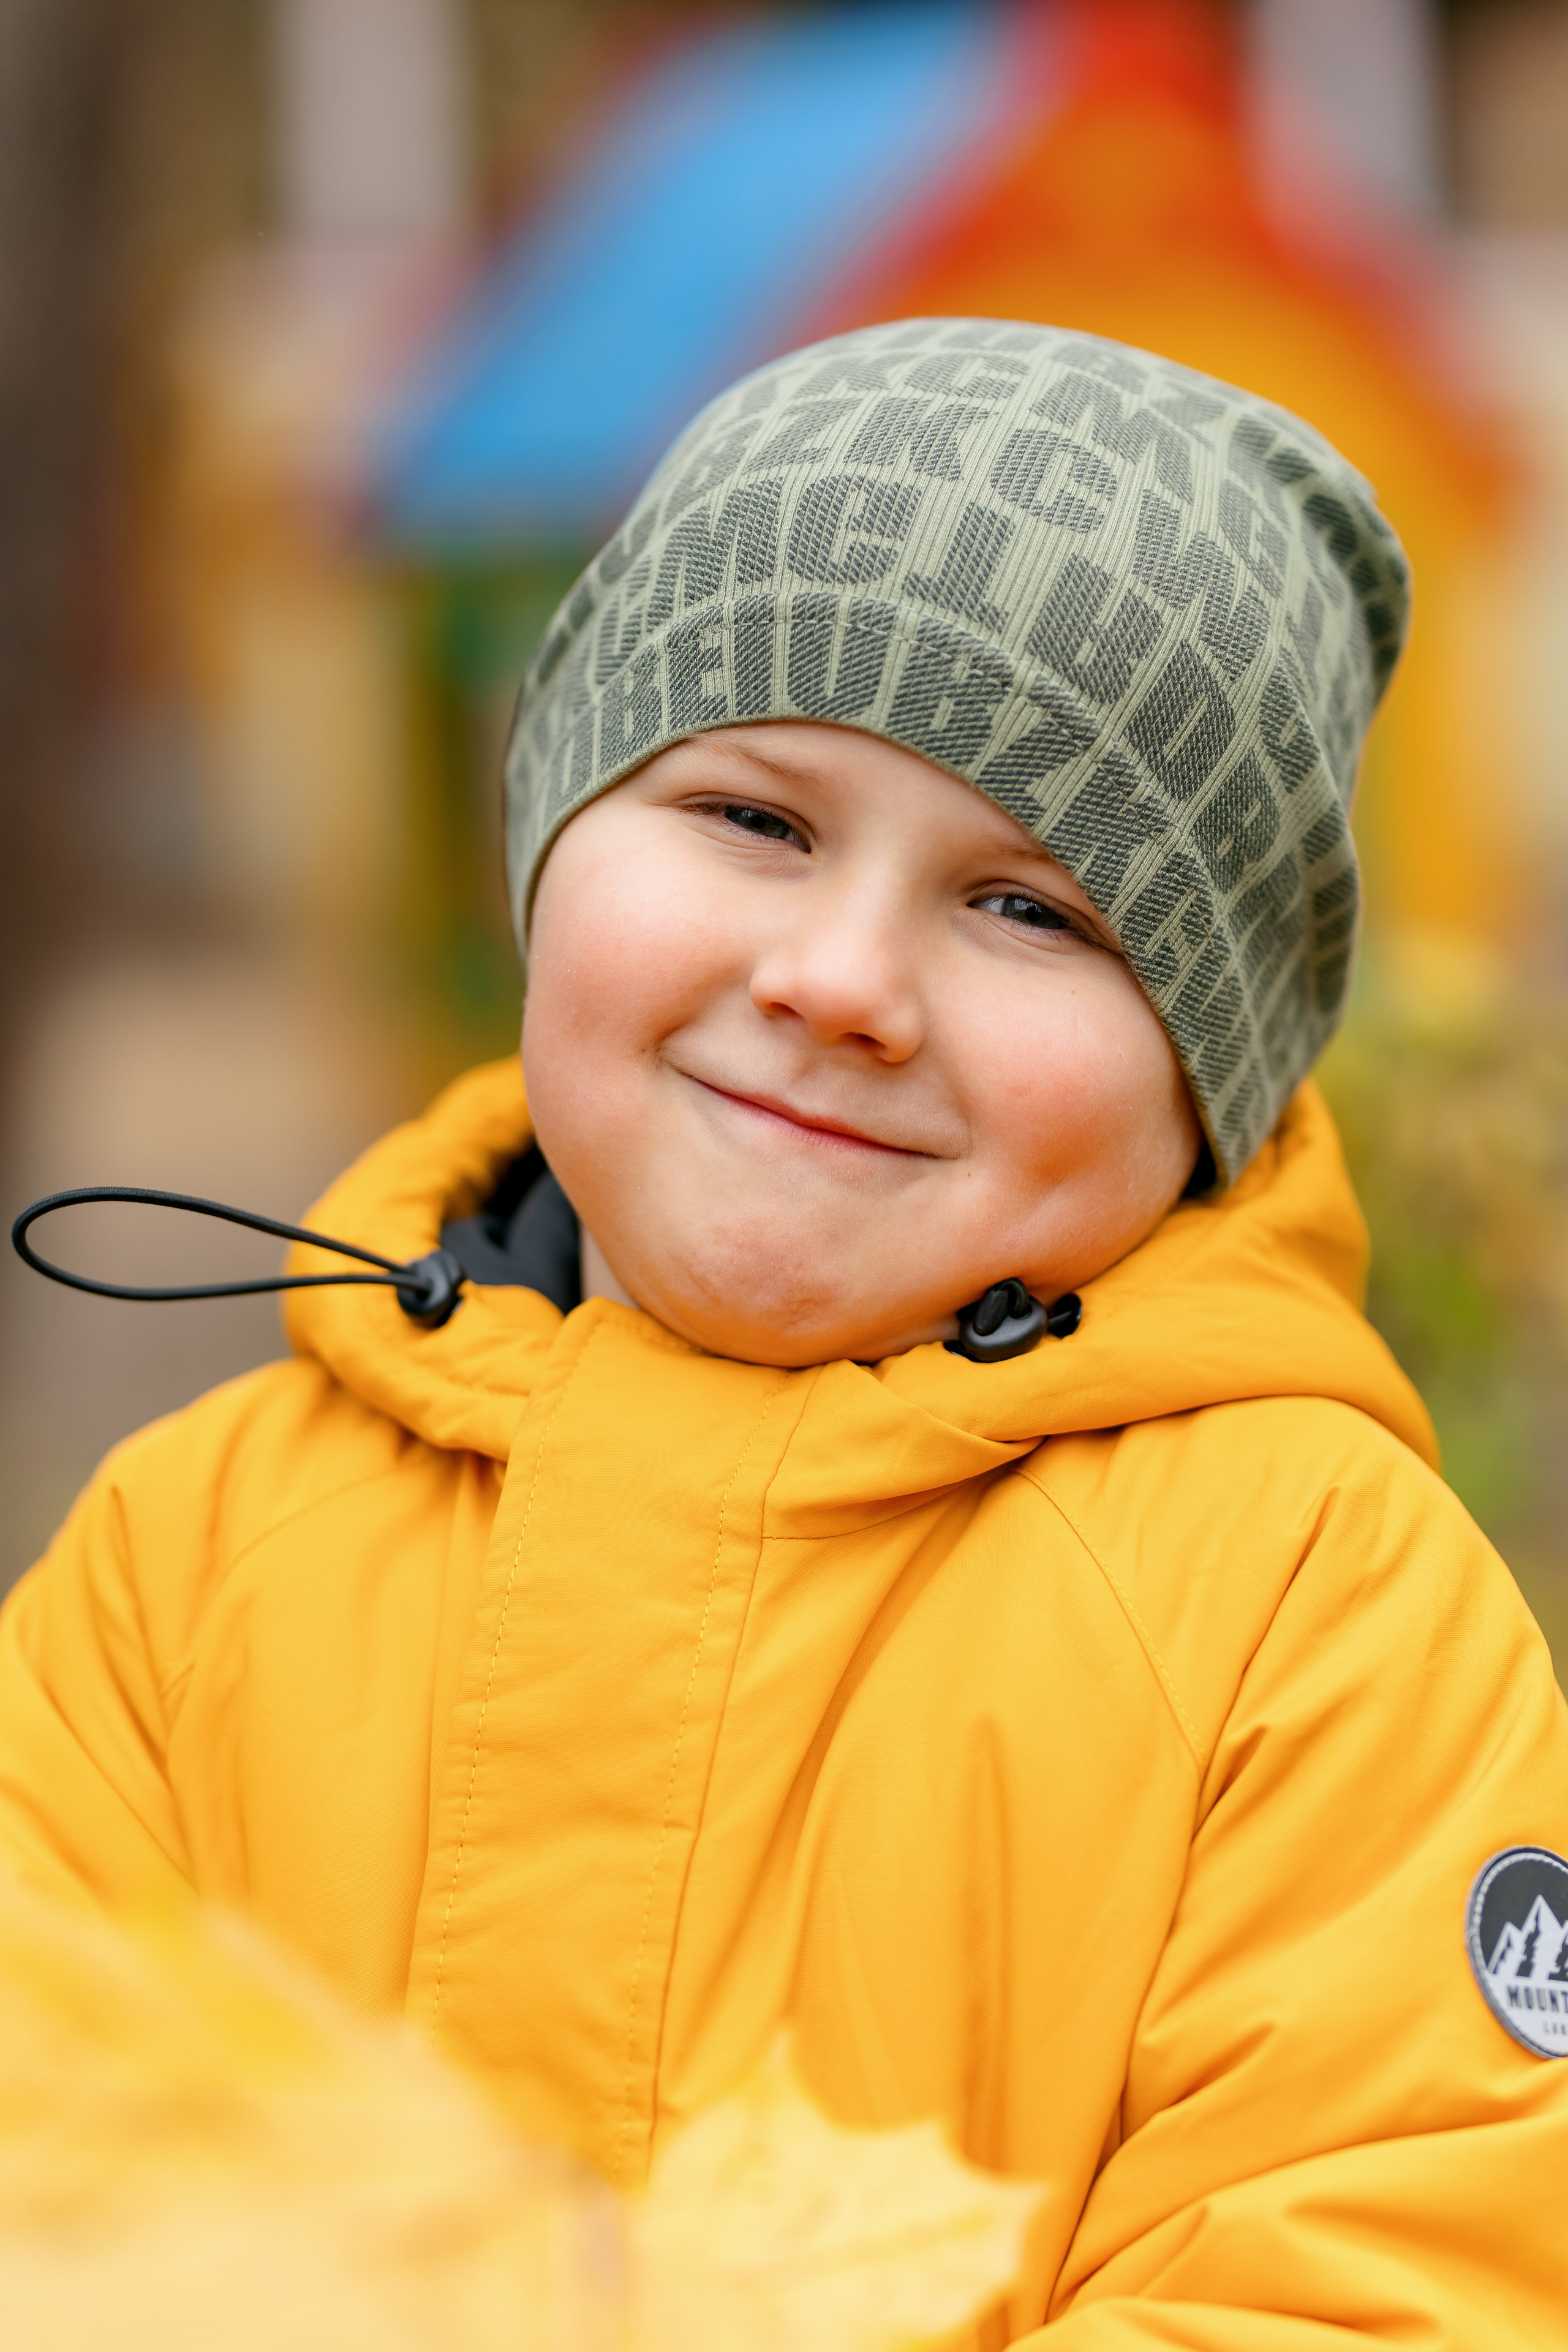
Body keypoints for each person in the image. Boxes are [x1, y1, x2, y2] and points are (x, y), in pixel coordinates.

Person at [2, 317, 1566, 2346]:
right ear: (555, 832)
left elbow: (1380, 2272)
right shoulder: (192, 1560)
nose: (841, 979)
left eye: (1036, 911)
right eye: (757, 818)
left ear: (1208, 1075)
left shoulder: (1320, 1620)